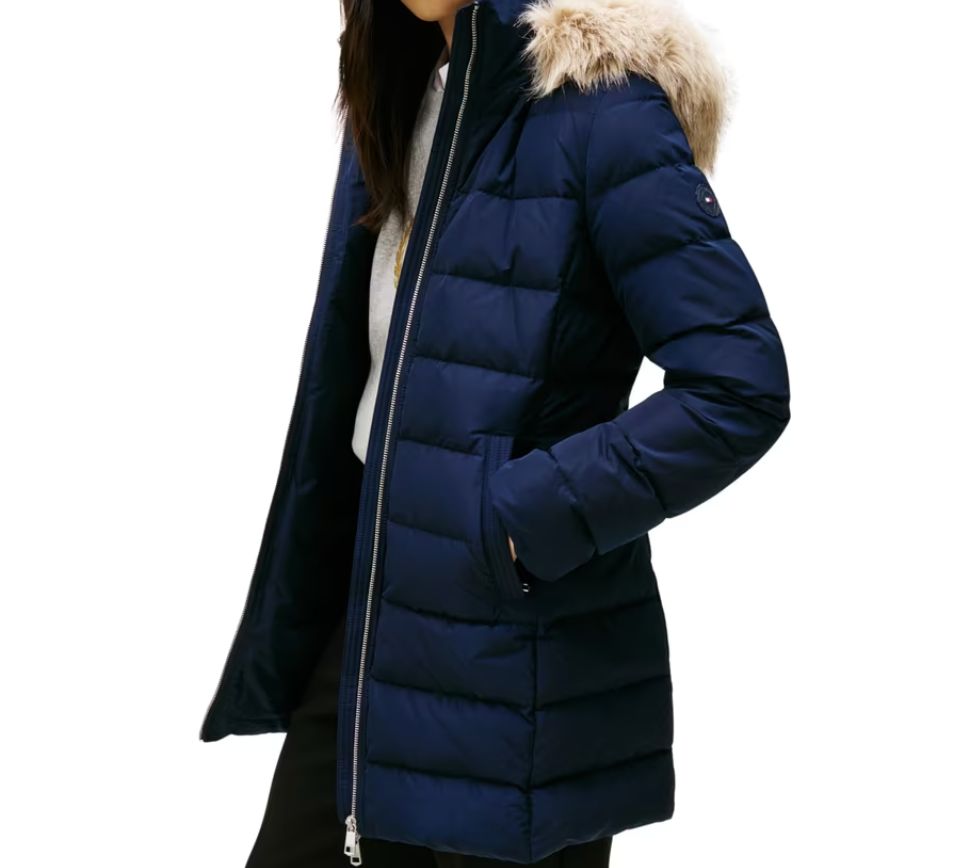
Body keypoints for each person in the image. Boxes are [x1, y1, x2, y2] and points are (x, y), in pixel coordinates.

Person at [199, 0, 792, 865]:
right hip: (372, 623)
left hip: (521, 666)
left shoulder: (601, 111)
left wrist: (519, 518)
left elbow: (736, 387)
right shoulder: (402, 92)